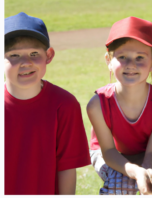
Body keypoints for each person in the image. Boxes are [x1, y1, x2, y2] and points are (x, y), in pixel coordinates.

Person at [87, 17, 152, 195]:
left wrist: (148, 175)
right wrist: (136, 173)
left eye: (140, 57)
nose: (131, 65)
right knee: (121, 186)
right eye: (122, 57)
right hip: (112, 155)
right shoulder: (97, 105)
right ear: (109, 60)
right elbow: (108, 151)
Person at [4, 12, 91, 194]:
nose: (25, 62)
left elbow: (67, 168)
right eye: (14, 55)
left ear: (49, 55)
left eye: (34, 53)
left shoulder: (65, 105)